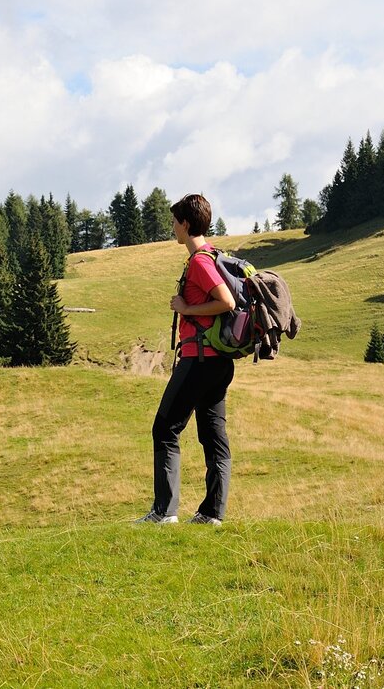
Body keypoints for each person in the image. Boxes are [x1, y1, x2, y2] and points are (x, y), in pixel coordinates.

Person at [137, 193, 236, 526]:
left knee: (165, 428)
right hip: (219, 362)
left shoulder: (200, 261)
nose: (173, 228)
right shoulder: (212, 256)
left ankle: (165, 512)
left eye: (175, 222)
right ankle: (212, 514)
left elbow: (226, 302)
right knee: (213, 436)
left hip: (199, 360)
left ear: (186, 223)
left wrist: (186, 309)